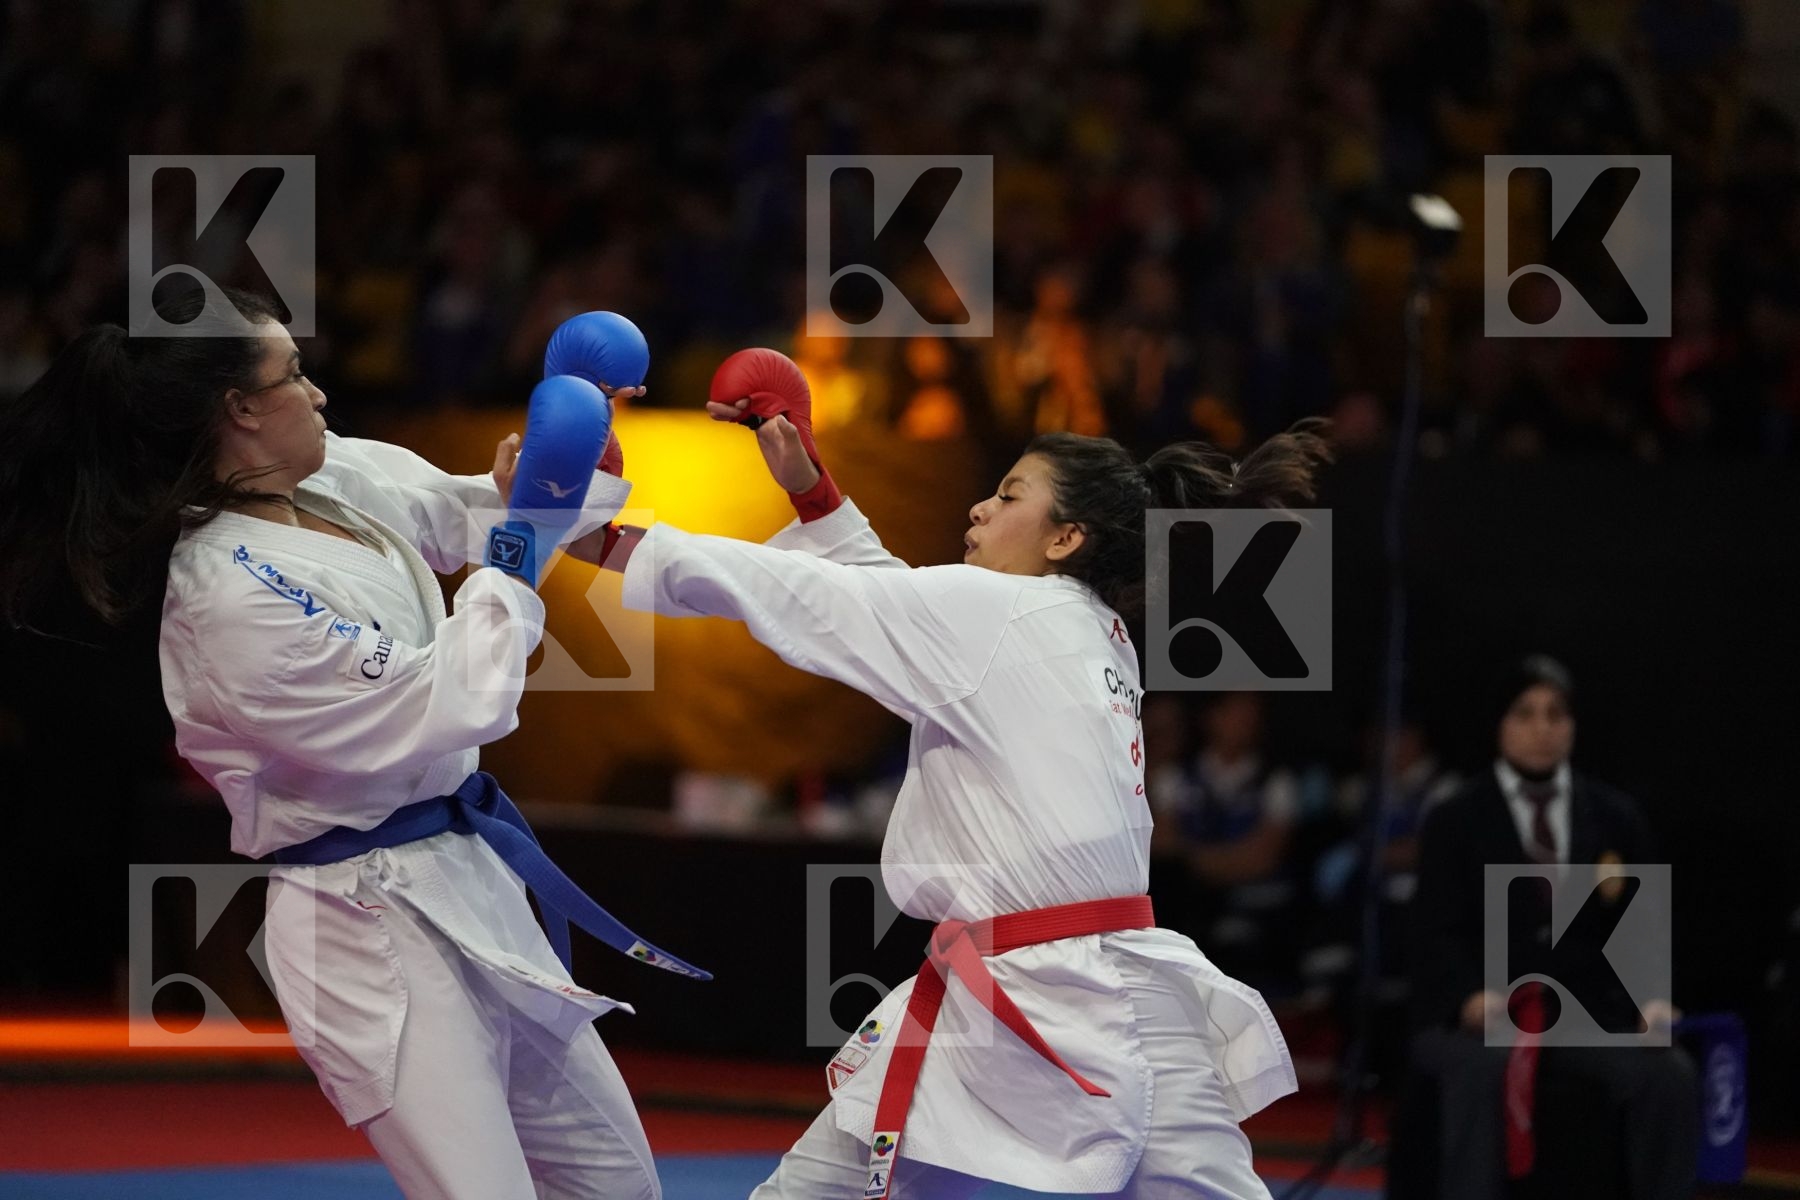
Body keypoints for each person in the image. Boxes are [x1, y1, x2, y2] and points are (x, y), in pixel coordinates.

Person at [0, 290, 687, 1200]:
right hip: (362, 922)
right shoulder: (229, 594)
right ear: (239, 410)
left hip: (470, 882)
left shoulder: (325, 479)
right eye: (294, 375)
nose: (319, 394)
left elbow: (464, 515)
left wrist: (565, 461)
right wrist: (522, 542)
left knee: (617, 1188)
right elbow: (446, 700)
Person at [601, 348, 1317, 1198]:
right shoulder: (1082, 626)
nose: (979, 506)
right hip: (1050, 987)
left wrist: (596, 537)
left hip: (1078, 987)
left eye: (1010, 495)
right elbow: (894, 609)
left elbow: (804, 592)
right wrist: (813, 493)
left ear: (1065, 537)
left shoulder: (1003, 614)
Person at [1407, 654, 1697, 1200]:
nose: (1543, 728)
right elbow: (1433, 931)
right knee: (1482, 1071)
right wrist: (1468, 996)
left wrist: (1653, 999)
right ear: (1499, 724)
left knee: (1669, 1075)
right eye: (1525, 713)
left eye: (1556, 714)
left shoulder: (1615, 817)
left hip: (1581, 1012)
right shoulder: (1456, 818)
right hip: (1481, 1013)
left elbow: (1644, 928)